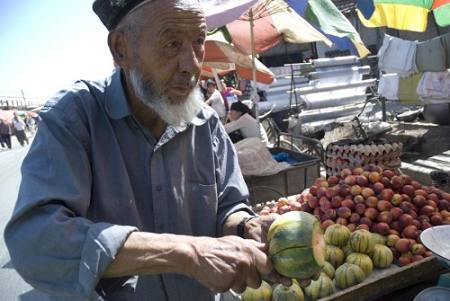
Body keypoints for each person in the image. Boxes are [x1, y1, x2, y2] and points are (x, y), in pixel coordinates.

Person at [4, 1, 317, 300]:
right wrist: (187, 253)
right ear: (121, 50)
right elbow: (35, 241)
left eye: (198, 41)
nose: (192, 65)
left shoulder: (205, 123)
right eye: (171, 45)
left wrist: (245, 227)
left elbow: (229, 205)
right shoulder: (74, 117)